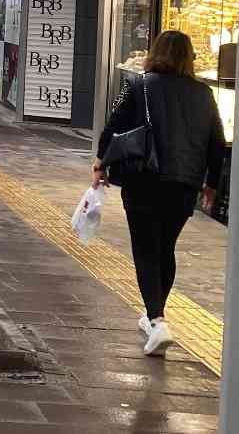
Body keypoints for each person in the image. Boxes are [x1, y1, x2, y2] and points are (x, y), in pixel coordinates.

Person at [93, 30, 226, 357]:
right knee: (165, 248)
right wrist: (211, 184)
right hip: (184, 185)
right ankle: (154, 316)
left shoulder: (136, 84)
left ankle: (157, 319)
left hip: (144, 179)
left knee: (145, 249)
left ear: (155, 52)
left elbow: (113, 125)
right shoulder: (205, 93)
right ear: (188, 57)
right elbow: (217, 142)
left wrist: (100, 163)